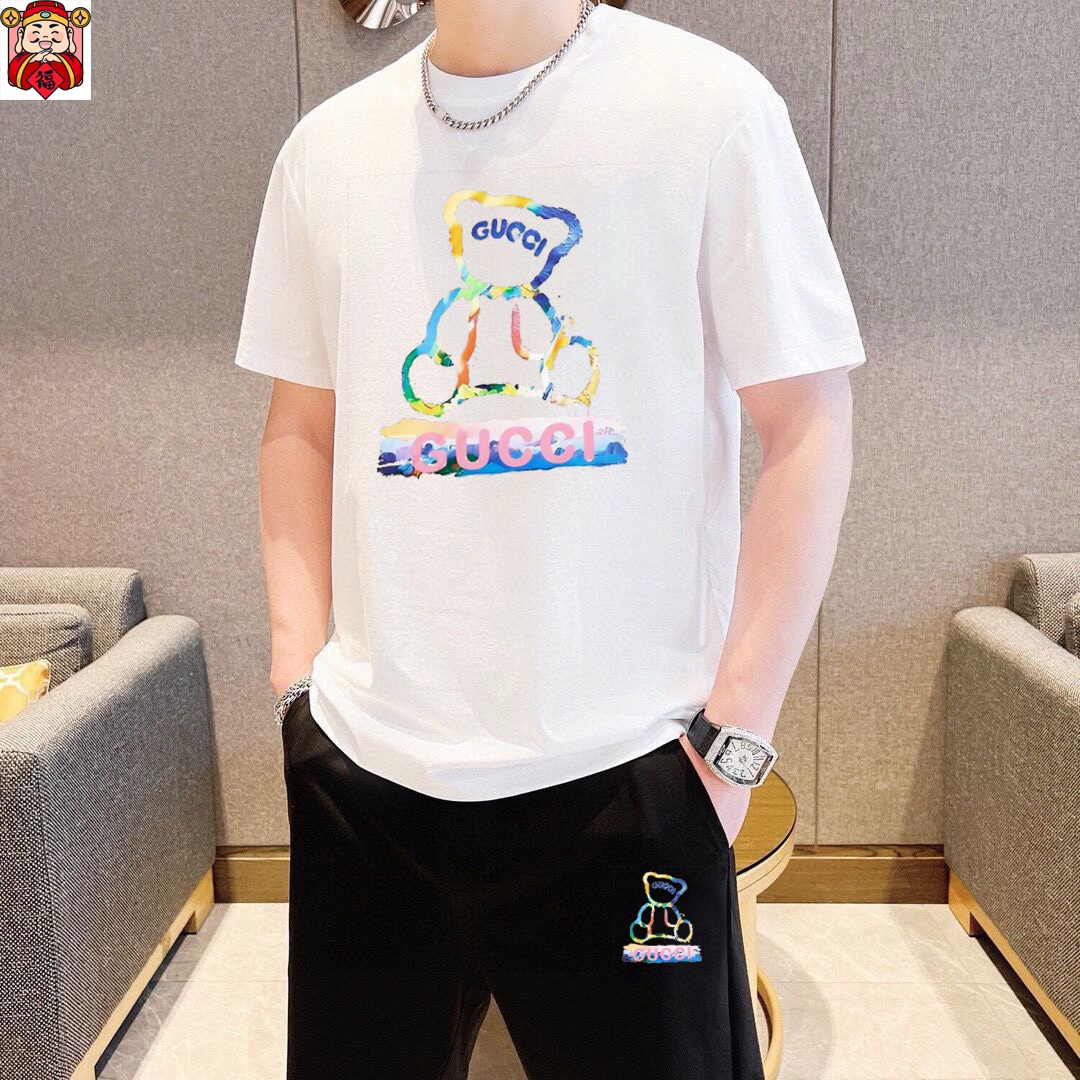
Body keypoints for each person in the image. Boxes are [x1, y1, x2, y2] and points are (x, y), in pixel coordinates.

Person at [234, 1, 865, 1077]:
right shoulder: (327, 149)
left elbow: (808, 424)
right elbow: (302, 424)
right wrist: (299, 684)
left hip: (627, 773)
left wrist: (733, 747)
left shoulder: (710, 111)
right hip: (366, 777)